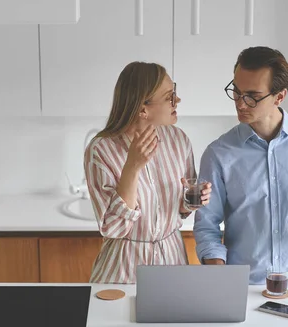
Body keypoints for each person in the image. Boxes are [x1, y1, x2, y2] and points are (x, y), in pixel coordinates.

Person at [194, 46, 288, 284]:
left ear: (280, 96)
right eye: (236, 91)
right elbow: (207, 226)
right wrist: (219, 277)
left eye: (252, 96)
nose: (240, 103)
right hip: (244, 287)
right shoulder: (219, 153)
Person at [84, 61, 212, 284]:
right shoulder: (101, 149)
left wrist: (192, 200)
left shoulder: (178, 140)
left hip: (173, 265)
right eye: (169, 97)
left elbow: (179, 209)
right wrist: (132, 166)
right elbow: (112, 227)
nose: (177, 101)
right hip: (124, 272)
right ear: (143, 109)